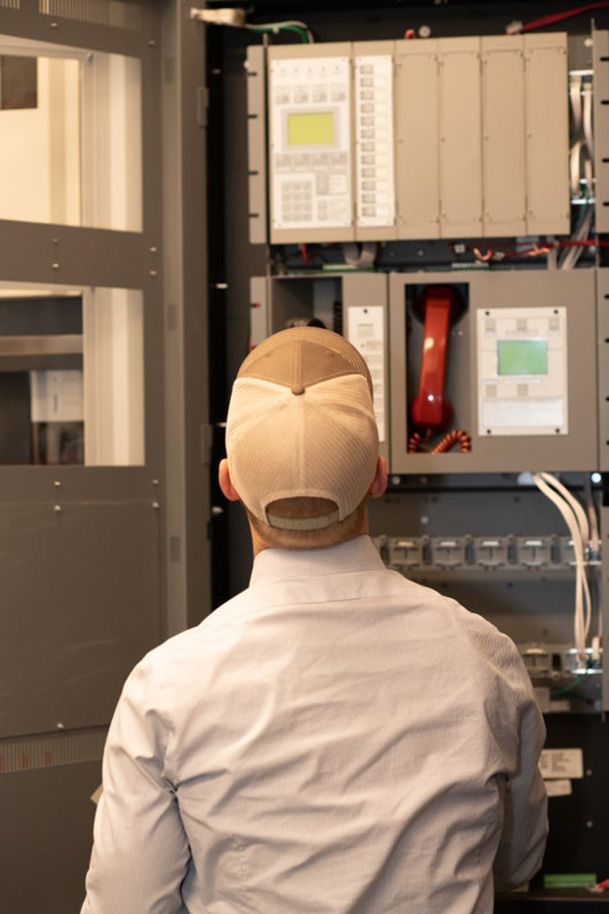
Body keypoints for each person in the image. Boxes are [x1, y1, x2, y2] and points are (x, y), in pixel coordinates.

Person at [81, 326, 547, 914]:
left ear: (228, 483)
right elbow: (517, 862)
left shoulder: (167, 685)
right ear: (378, 476)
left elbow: (126, 904)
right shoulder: (483, 655)